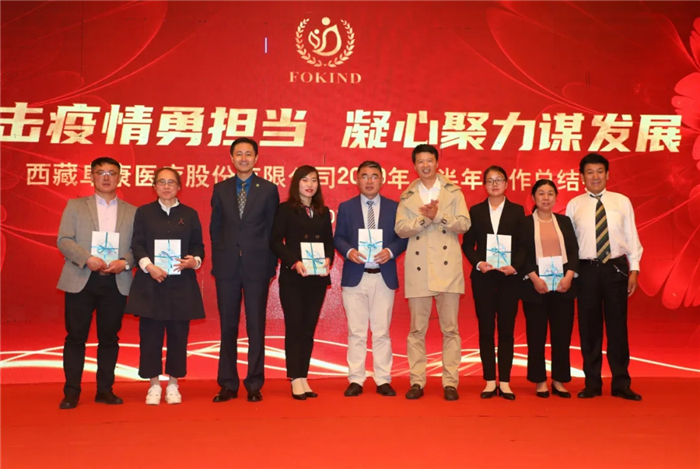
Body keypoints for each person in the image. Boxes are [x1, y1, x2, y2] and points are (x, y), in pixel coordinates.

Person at [56, 157, 136, 410]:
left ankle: (105, 390)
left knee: (109, 338)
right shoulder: (76, 205)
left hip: (115, 281)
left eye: (111, 173)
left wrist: (125, 262)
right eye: (100, 172)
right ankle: (71, 392)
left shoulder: (133, 211)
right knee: (75, 337)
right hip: (81, 278)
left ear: (119, 177)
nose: (106, 177)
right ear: (91, 176)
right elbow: (64, 240)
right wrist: (87, 258)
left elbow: (138, 247)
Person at [395, 144, 471, 401]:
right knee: (417, 330)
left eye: (429, 160)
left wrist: (439, 216)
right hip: (419, 270)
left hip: (448, 269)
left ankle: (450, 382)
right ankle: (417, 381)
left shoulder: (454, 191)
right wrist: (423, 219)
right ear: (414, 165)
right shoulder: (408, 195)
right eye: (420, 161)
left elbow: (465, 224)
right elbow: (400, 229)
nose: (425, 165)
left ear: (437, 163)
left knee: (450, 329)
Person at [566, 153, 643, 401]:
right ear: (582, 177)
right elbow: (570, 244)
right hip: (586, 270)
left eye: (600, 171)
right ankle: (592, 382)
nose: (595, 176)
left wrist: (634, 269)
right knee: (589, 328)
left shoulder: (622, 201)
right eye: (590, 172)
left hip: (615, 268)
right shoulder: (574, 205)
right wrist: (571, 273)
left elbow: (631, 237)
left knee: (617, 327)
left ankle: (621, 382)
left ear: (607, 174)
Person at [125, 167, 205, 405]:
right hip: (151, 282)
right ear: (154, 186)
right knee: (150, 337)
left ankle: (173, 383)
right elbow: (137, 244)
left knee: (178, 337)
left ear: (179, 186)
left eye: (171, 182)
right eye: (162, 182)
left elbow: (198, 246)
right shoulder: (144, 212)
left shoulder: (189, 214)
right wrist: (149, 266)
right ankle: (153, 385)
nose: (167, 186)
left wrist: (194, 261)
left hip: (181, 284)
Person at [210, 137, 280, 403]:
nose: (243, 158)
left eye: (248, 154)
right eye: (238, 154)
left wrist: (270, 266)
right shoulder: (221, 189)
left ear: (256, 158)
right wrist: (220, 259)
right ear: (231, 158)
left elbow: (273, 231)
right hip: (227, 268)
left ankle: (254, 383)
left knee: (255, 326)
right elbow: (215, 229)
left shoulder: (268, 189)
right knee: (228, 326)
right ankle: (227, 383)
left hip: (257, 267)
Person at [334, 161, 408, 397]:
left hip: (383, 277)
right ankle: (356, 379)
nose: (369, 181)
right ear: (357, 179)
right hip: (355, 276)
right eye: (364, 176)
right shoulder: (346, 207)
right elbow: (338, 237)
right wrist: (348, 252)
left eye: (374, 176)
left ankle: (383, 379)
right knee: (356, 332)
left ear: (382, 180)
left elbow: (403, 237)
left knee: (381, 331)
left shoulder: (394, 207)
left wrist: (391, 251)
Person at [270, 165, 334, 400]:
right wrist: (293, 262)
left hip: (317, 278)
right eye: (305, 180)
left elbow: (328, 241)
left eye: (314, 180)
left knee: (308, 329)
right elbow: (275, 241)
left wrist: (328, 258)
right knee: (295, 327)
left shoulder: (323, 211)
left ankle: (304, 376)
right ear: (296, 183)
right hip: (294, 278)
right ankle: (295, 377)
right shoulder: (285, 209)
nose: (310, 184)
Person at [461, 165, 525, 400]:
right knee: (486, 329)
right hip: (484, 278)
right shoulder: (476, 211)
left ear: (507, 184)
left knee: (507, 330)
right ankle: (489, 381)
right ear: (484, 185)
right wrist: (478, 263)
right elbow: (467, 244)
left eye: (499, 180)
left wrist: (515, 266)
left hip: (509, 278)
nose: (495, 184)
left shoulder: (517, 211)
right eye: (490, 180)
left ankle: (505, 382)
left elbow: (524, 245)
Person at [519, 179, 579, 398]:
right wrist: (534, 278)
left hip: (563, 286)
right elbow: (521, 254)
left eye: (550, 193)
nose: (546, 198)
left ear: (556, 198)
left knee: (562, 336)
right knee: (536, 336)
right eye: (541, 193)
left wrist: (569, 276)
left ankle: (559, 380)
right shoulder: (525, 224)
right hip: (535, 287)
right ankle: (540, 380)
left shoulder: (564, 222)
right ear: (533, 198)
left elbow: (574, 251)